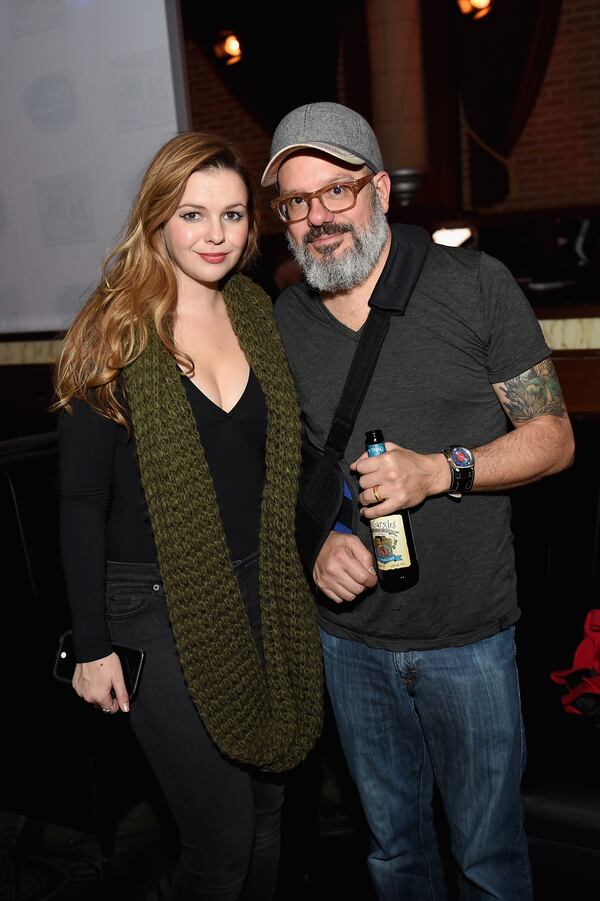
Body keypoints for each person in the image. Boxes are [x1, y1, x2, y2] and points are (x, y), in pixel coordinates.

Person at [261, 101, 575, 900]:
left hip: (467, 640)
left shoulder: (473, 285)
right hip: (349, 644)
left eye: (336, 192)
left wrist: (441, 470)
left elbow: (554, 437)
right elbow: (277, 465)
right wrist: (318, 543)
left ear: (380, 192)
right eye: (297, 201)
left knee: (488, 860)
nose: (318, 217)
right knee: (393, 854)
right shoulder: (280, 321)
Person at [52, 131, 323, 900]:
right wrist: (92, 648)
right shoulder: (113, 328)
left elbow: (284, 460)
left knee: (270, 808)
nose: (215, 234)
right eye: (193, 213)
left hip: (259, 589)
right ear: (157, 219)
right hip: (149, 608)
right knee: (221, 838)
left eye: (233, 214)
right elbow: (80, 501)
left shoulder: (256, 310)